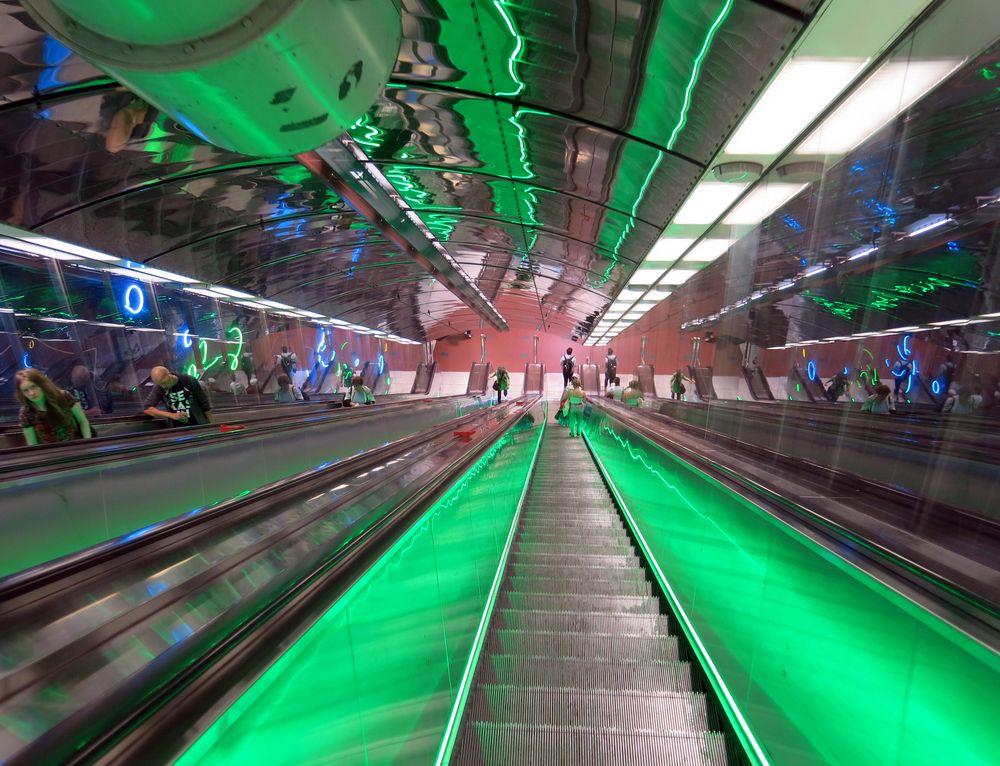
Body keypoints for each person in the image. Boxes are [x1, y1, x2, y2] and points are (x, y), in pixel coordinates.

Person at [16, 368, 93, 445]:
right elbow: (32, 444)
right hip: (51, 453)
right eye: (25, 390)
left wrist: (86, 443)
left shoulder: (63, 397)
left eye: (33, 386)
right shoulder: (26, 412)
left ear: (41, 384)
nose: (31, 393)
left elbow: (82, 420)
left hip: (76, 446)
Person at [143, 366, 213, 426]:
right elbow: (147, 409)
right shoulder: (159, 387)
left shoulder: (189, 380)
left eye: (164, 383)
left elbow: (204, 404)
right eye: (159, 384)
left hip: (197, 423)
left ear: (169, 375)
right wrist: (172, 415)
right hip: (176, 428)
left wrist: (210, 424)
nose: (163, 386)